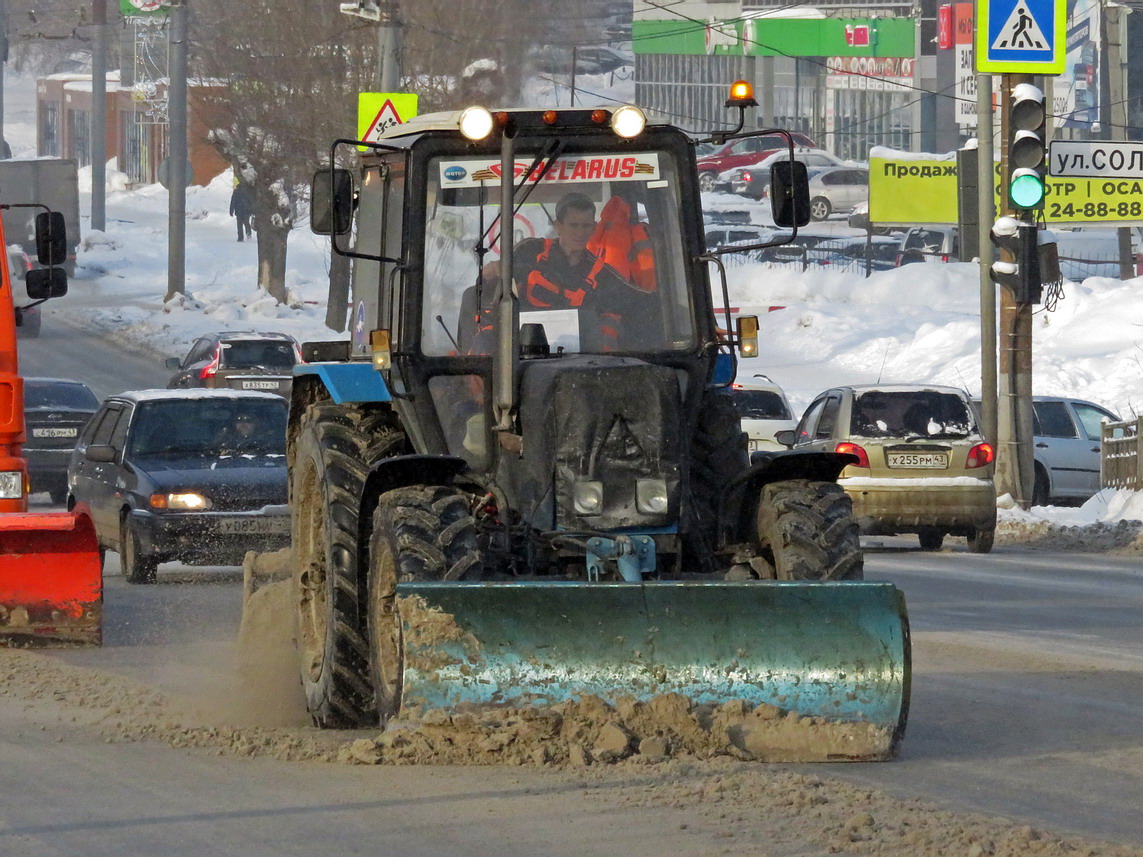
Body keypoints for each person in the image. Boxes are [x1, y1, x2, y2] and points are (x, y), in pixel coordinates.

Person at [471, 191, 655, 352]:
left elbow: (638, 302)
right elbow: (489, 284)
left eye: (586, 226)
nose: (580, 233)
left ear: (594, 227)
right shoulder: (529, 251)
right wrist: (494, 270)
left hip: (580, 362)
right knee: (472, 300)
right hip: (523, 355)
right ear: (558, 226)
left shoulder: (601, 274)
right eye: (573, 225)